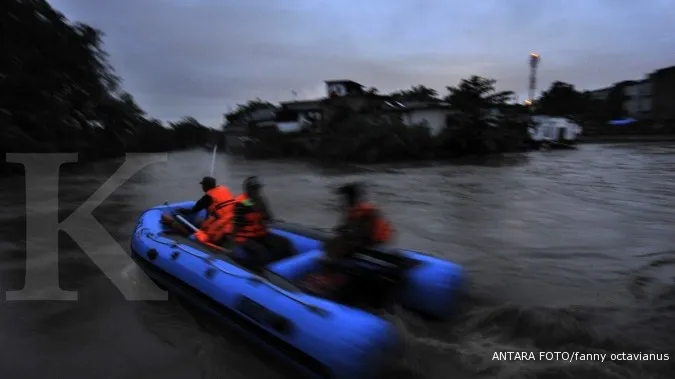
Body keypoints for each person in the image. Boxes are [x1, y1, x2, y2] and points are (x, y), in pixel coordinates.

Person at [232, 176, 295, 267]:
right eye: (254, 189)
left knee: (285, 243)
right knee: (261, 251)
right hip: (245, 237)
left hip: (261, 234)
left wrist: (262, 211)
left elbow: (269, 218)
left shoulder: (261, 201)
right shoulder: (241, 204)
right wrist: (233, 243)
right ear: (248, 190)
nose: (257, 192)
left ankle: (286, 269)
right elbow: (236, 225)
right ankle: (263, 273)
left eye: (258, 189)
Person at [161, 176, 235, 246]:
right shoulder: (224, 189)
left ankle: (189, 236)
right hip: (231, 220)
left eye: (203, 185)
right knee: (202, 222)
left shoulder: (207, 197)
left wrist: (179, 210)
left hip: (219, 224)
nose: (202, 187)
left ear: (206, 186)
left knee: (200, 229)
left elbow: (193, 210)